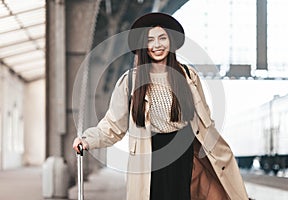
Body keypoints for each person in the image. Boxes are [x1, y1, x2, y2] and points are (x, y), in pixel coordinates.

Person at [73, 12, 249, 200]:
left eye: (162, 38)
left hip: (186, 157)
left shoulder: (189, 76)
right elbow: (112, 126)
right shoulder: (130, 81)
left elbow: (205, 119)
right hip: (149, 157)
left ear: (171, 41)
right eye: (150, 40)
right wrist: (87, 140)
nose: (157, 45)